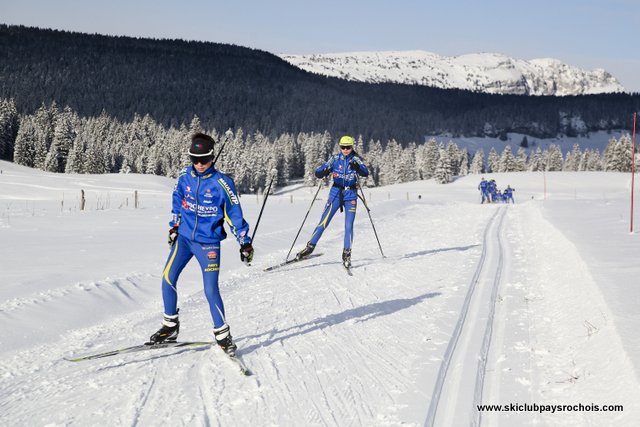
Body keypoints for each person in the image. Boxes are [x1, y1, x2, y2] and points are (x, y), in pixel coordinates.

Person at [148, 133, 254, 356]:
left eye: (204, 159)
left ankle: (223, 335)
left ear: (212, 157)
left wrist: (245, 243)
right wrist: (174, 227)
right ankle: (170, 327)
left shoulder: (223, 183)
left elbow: (234, 215)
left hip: (208, 244)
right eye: (194, 159)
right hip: (185, 239)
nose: (199, 164)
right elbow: (178, 200)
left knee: (210, 289)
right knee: (167, 278)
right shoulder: (185, 176)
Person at [295, 136, 369, 268]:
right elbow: (319, 171)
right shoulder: (335, 159)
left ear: (352, 147)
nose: (345, 150)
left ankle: (347, 253)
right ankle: (310, 247)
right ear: (339, 147)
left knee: (348, 226)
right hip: (335, 193)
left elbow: (365, 172)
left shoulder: (355, 159)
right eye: (343, 147)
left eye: (348, 147)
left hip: (350, 195)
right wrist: (324, 171)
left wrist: (357, 167)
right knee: (323, 222)